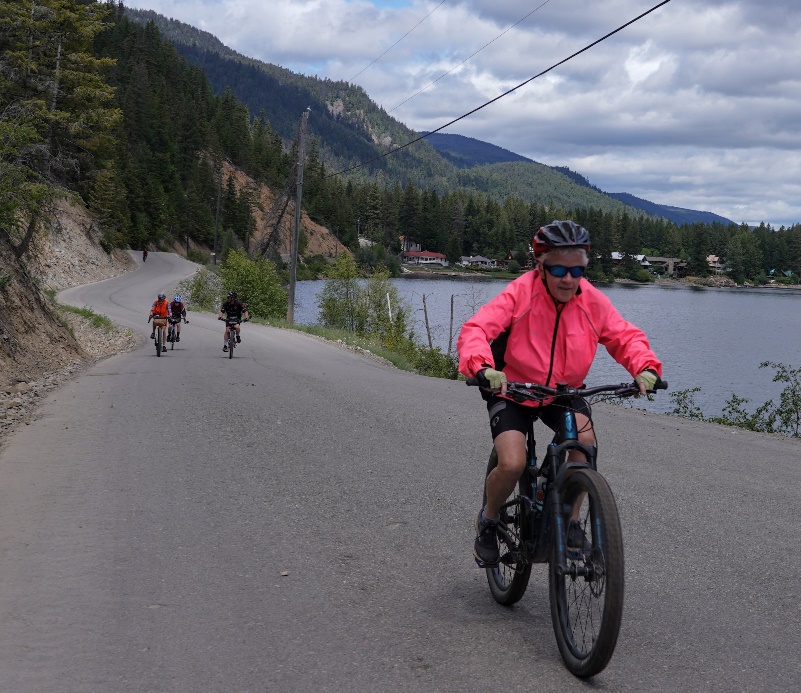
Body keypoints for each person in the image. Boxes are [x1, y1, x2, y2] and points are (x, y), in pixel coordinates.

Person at [457, 220, 663, 567]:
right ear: (541, 265)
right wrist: (483, 368)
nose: (568, 279)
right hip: (512, 389)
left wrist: (645, 368)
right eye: (558, 269)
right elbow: (477, 329)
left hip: (562, 393)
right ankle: (489, 520)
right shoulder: (520, 294)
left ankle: (569, 523)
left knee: (584, 448)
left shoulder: (592, 301)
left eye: (576, 270)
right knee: (513, 462)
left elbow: (624, 336)